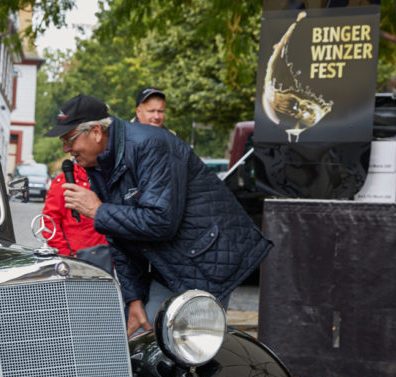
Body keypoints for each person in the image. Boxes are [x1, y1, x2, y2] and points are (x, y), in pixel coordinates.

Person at [44, 93, 272, 336]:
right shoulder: (99, 163)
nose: (67, 149)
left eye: (70, 139)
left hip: (207, 260)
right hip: (169, 265)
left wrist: (98, 210)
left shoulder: (152, 145)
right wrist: (134, 299)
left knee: (188, 353)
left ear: (97, 132)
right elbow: (118, 234)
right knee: (144, 343)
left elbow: (161, 221)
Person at [41, 161, 108, 257]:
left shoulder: (110, 177)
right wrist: (66, 254)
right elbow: (49, 221)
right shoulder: (64, 181)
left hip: (107, 257)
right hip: (77, 258)